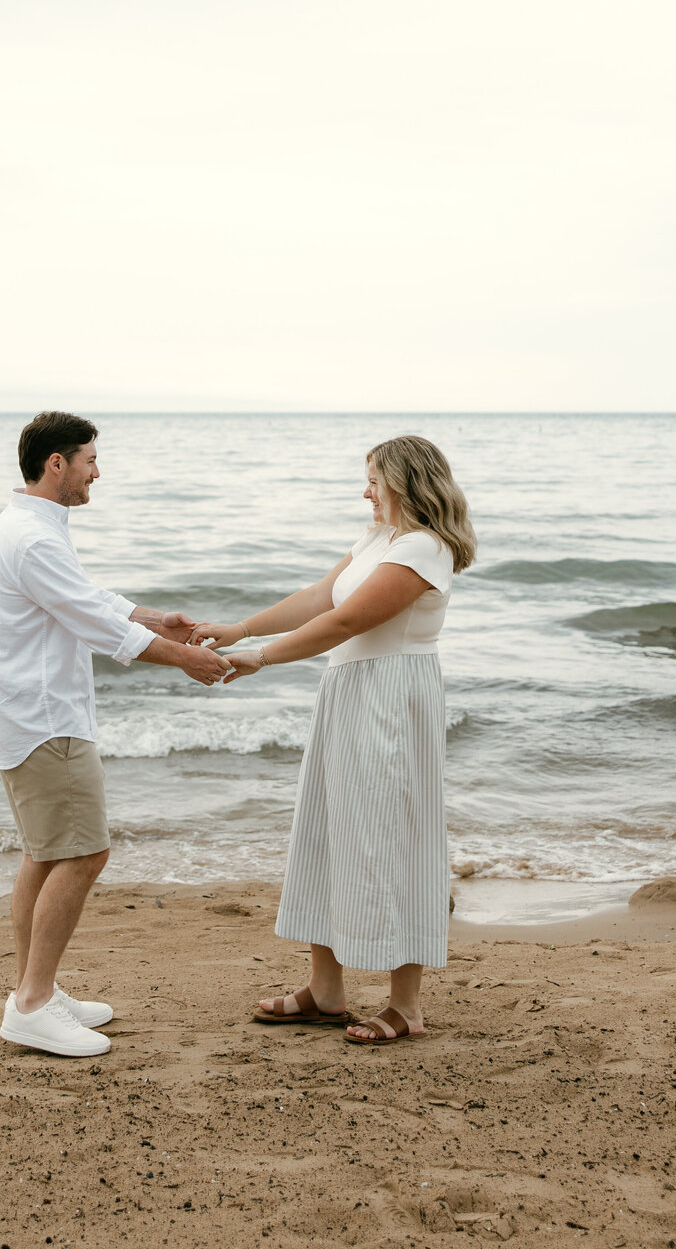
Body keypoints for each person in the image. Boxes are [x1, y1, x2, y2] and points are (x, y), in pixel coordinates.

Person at [190, 433, 475, 1046]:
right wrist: (236, 627)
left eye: (373, 478)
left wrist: (258, 659)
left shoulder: (424, 549)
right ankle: (325, 991)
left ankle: (406, 1006)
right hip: (349, 693)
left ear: (402, 482)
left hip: (391, 700)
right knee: (325, 828)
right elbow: (321, 598)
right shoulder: (380, 539)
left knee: (393, 838)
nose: (364, 489)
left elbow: (347, 621)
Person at [0, 410, 231, 1058]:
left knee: (47, 852)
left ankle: (37, 990)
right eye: (89, 459)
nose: (97, 471)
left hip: (29, 715)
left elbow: (85, 598)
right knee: (84, 854)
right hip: (44, 720)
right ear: (55, 464)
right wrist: (187, 658)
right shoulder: (32, 539)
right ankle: (30, 1006)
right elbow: (97, 624)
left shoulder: (31, 528)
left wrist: (155, 617)